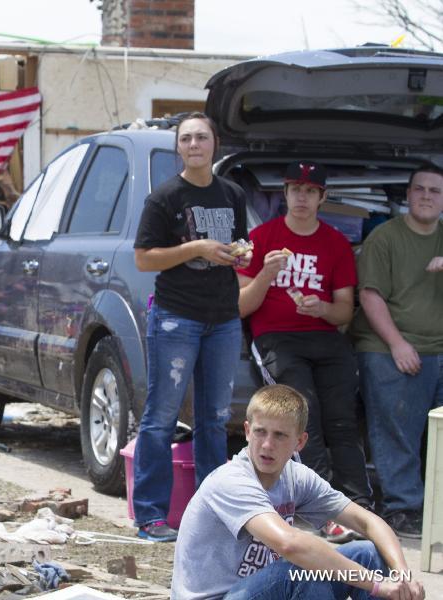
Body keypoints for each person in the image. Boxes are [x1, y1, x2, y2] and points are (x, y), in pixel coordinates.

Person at [172, 384, 425, 600]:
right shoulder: (231, 481)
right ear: (247, 431)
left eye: (280, 435)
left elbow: (368, 522)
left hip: (261, 590)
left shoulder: (297, 476)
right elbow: (291, 544)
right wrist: (377, 585)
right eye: (260, 432)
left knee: (367, 553)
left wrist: (402, 578)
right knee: (303, 569)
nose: (267, 445)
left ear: (300, 442)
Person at [236, 161, 373, 543]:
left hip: (325, 337)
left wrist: (322, 308)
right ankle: (323, 512)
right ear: (284, 193)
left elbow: (345, 310)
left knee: (343, 420)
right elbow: (241, 306)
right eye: (295, 189)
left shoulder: (335, 243)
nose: (301, 197)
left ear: (322, 197)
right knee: (305, 417)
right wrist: (266, 272)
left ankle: (359, 509)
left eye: (310, 191)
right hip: (276, 337)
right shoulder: (262, 237)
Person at [132, 112, 251, 542]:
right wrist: (195, 247)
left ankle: (212, 515)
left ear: (215, 143)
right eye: (187, 139)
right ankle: (149, 515)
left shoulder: (233, 194)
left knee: (215, 420)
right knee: (161, 417)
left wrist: (239, 255)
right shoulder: (164, 198)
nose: (195, 144)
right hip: (175, 316)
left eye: (202, 137)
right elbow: (144, 258)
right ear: (178, 148)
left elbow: (238, 247)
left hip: (222, 317)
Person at [348, 165, 443, 539]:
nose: (425, 196)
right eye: (419, 189)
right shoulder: (385, 237)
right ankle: (403, 509)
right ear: (407, 195)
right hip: (390, 348)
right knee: (397, 432)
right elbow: (369, 295)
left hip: (439, 350)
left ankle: (434, 508)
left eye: (435, 191)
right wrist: (398, 344)